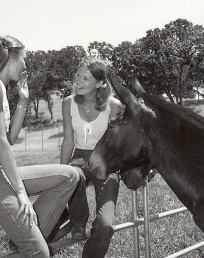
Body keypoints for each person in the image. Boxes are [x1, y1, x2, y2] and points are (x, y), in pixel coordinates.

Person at [0, 35, 79, 258]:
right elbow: (1, 143)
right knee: (38, 253)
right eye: (24, 58)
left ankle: (25, 239)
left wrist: (23, 101)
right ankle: (30, 244)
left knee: (68, 176)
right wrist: (21, 192)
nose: (26, 64)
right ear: (11, 58)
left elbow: (10, 137)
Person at [60, 58, 122, 258]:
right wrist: (60, 174)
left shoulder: (114, 106)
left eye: (85, 78)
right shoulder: (68, 103)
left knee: (104, 225)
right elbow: (68, 140)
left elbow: (118, 143)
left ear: (100, 83)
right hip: (79, 158)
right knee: (72, 174)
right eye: (77, 76)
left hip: (106, 162)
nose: (78, 81)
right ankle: (78, 223)